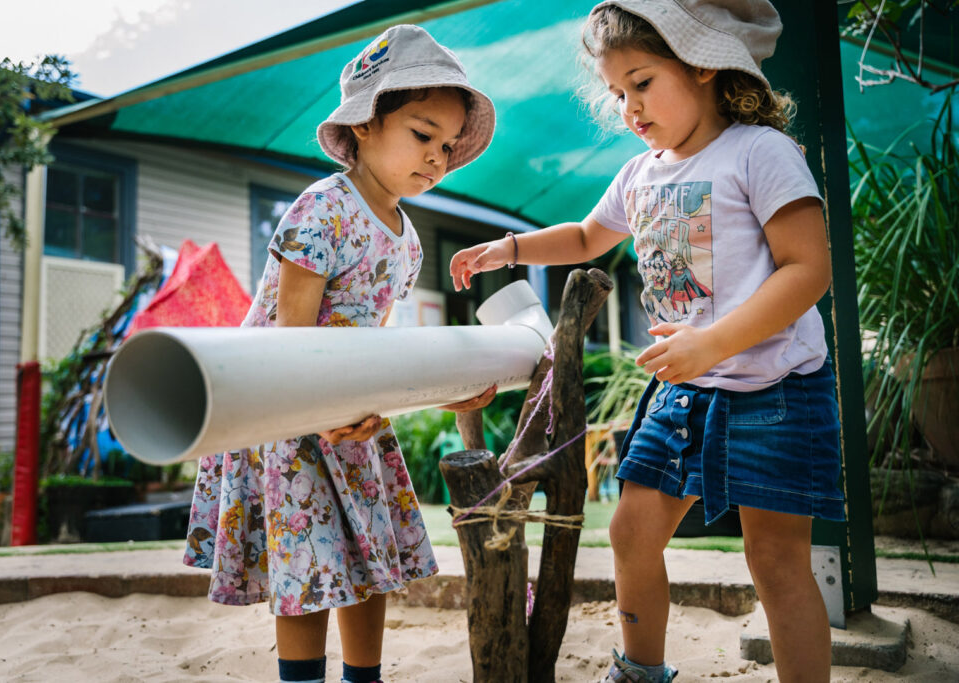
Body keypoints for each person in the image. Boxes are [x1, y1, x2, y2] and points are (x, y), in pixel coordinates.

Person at [449, 2, 846, 682]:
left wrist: (712, 344)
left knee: (776, 561)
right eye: (616, 93)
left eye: (641, 82)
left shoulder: (760, 151)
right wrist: (509, 248)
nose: (629, 107)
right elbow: (583, 237)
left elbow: (809, 268)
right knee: (632, 532)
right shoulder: (640, 174)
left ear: (701, 67)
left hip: (775, 388)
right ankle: (639, 670)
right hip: (683, 387)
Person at [184, 25, 496, 683]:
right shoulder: (322, 207)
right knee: (307, 557)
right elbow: (293, 337)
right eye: (422, 133)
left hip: (351, 416)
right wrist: (319, 410)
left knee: (365, 557)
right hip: (288, 414)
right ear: (363, 125)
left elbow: (373, 344)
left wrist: (443, 392)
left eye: (447, 145)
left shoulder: (408, 241)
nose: (439, 157)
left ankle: (365, 676)